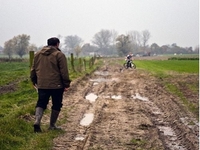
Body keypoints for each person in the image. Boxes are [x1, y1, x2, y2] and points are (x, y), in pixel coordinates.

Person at [30, 37, 71, 133]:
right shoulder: (59, 55)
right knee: (56, 104)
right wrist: (66, 84)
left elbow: (33, 69)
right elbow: (64, 71)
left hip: (42, 84)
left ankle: (37, 121)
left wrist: (34, 81)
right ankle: (52, 125)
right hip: (57, 85)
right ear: (57, 44)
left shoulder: (38, 54)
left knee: (41, 103)